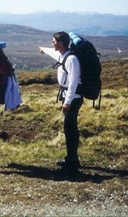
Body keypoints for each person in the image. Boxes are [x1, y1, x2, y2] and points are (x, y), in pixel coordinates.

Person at [51, 31, 83, 173]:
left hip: (73, 98)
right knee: (68, 128)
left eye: (54, 41)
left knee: (70, 129)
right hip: (69, 97)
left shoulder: (71, 59)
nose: (52, 43)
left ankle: (72, 162)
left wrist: (68, 101)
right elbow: (53, 53)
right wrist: (43, 50)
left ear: (61, 44)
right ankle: (71, 159)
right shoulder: (64, 55)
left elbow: (73, 82)